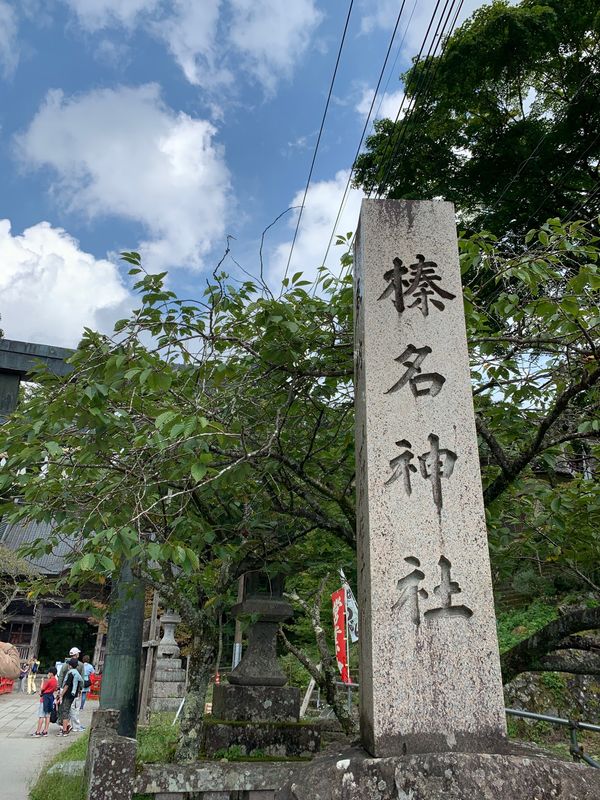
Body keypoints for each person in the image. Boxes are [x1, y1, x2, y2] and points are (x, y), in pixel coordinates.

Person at [58, 647, 86, 731]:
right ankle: (75, 726)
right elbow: (82, 678)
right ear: (77, 654)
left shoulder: (65, 663)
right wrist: (80, 689)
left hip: (64, 688)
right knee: (73, 708)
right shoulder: (80, 665)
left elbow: (61, 676)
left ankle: (64, 724)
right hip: (74, 690)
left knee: (63, 708)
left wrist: (59, 687)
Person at [32, 667, 58, 737]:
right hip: (51, 698)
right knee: (48, 715)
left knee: (41, 716)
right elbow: (55, 689)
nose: (48, 673)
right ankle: (45, 731)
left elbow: (42, 689)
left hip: (45, 698)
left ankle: (38, 732)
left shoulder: (48, 681)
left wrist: (43, 681)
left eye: (49, 672)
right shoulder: (55, 681)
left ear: (51, 673)